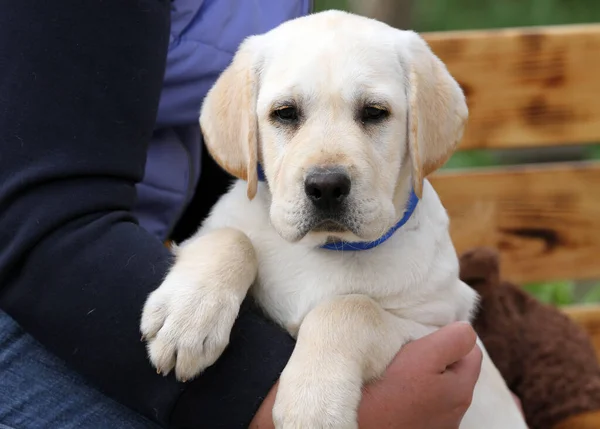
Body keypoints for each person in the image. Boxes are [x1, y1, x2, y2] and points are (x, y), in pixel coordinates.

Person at [0, 1, 483, 428]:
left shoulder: (424, 257)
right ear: (249, 126)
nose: (327, 174)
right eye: (286, 115)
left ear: (419, 126)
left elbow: (439, 348)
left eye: (374, 113)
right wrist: (220, 258)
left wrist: (344, 330)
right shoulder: (243, 219)